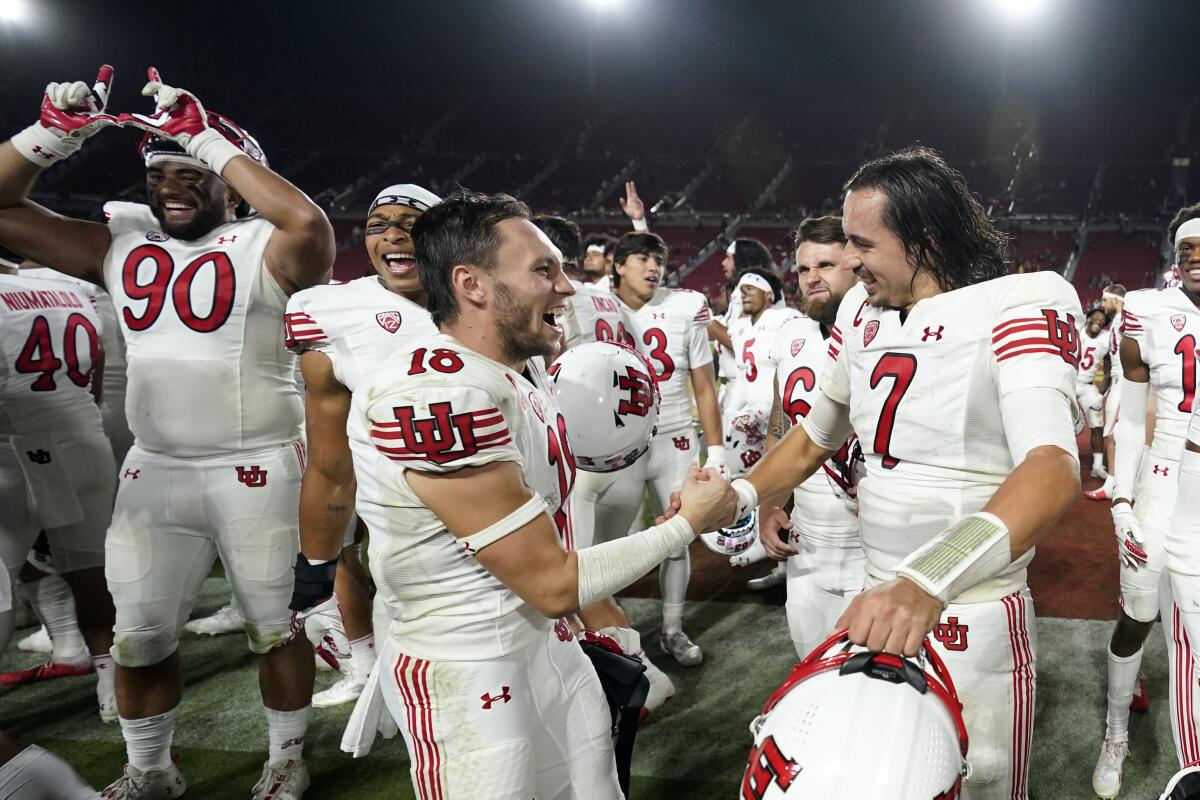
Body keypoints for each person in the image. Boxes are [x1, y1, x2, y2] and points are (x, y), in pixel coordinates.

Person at [669, 147, 1082, 799]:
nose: (850, 260)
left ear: (925, 239)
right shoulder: (860, 315)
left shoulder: (1024, 300)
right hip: (873, 603)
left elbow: (1053, 468)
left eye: (862, 243)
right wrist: (740, 494)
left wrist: (924, 581)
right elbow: (814, 435)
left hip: (966, 614)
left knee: (984, 787)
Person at [0, 67, 334, 798]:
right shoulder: (118, 248)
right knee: (140, 637)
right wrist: (47, 138)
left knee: (276, 628)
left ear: (230, 181)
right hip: (156, 471)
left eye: (192, 173)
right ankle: (150, 768)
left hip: (258, 467)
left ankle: (285, 757)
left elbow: (309, 225)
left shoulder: (265, 246)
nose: (172, 185)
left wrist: (207, 139)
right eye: (160, 173)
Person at [343, 190, 734, 798]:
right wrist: (684, 525)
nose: (568, 287)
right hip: (469, 668)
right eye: (543, 270)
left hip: (547, 644)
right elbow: (550, 581)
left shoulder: (514, 374)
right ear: (471, 284)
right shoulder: (432, 392)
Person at [282, 183, 441, 708]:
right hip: (398, 521)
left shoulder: (486, 295)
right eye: (379, 226)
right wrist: (314, 566)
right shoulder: (335, 311)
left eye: (411, 226)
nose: (393, 236)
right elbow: (330, 462)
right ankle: (368, 671)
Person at [534, 214, 676, 713]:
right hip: (623, 455)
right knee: (597, 569)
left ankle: (637, 672)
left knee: (572, 574)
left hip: (578, 456)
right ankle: (612, 660)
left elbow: (552, 373)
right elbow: (641, 368)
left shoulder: (553, 299)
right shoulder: (609, 300)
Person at [572, 231, 724, 666]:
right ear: (618, 265)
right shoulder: (591, 300)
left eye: (658, 258)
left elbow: (704, 385)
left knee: (678, 537)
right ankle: (607, 632)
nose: (654, 266)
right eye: (642, 258)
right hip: (614, 442)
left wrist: (715, 451)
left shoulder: (685, 306)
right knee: (607, 544)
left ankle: (672, 629)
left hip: (673, 435)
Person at [0, 262, 117, 721]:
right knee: (91, 572)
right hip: (86, 440)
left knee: (1, 579)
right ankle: (113, 687)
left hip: (14, 453)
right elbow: (98, 379)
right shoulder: (66, 290)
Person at [754, 215, 866, 653]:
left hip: (872, 548)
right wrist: (768, 504)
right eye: (803, 269)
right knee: (811, 670)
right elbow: (780, 425)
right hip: (807, 547)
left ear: (856, 264)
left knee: (872, 688)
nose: (812, 278)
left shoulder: (894, 332)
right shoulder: (791, 334)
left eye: (825, 264)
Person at [1132, 205, 1200, 791]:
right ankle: (1196, 767)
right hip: (1187, 480)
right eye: (1187, 251)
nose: (1195, 259)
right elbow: (1138, 408)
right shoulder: (1154, 313)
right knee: (1188, 628)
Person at [723, 267, 798, 477]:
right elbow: (742, 374)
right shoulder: (739, 327)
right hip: (750, 413)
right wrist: (731, 411)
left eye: (750, 289)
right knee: (743, 478)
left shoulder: (785, 318)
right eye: (741, 290)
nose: (743, 294)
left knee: (783, 477)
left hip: (780, 412)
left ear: (768, 295)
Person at [708, 238, 775, 404]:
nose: (724, 263)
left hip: (747, 389)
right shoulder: (744, 290)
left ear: (742, 260)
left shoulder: (753, 292)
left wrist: (704, 317)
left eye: (728, 258)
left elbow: (739, 341)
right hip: (738, 386)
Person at [1087, 284, 1128, 501]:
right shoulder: (1118, 322)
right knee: (1114, 434)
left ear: (1115, 300)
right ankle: (1116, 482)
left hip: (1125, 383)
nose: (1102, 305)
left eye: (1105, 300)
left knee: (1114, 434)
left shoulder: (1126, 321)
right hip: (1118, 382)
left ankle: (1113, 484)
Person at [1077, 306, 1110, 480]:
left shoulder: (1105, 339)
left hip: (1088, 386)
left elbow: (1108, 372)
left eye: (1102, 320)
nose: (1099, 321)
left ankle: (1097, 466)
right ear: (1087, 317)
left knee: (1097, 425)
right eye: (1096, 317)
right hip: (1069, 382)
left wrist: (1100, 396)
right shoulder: (1077, 330)